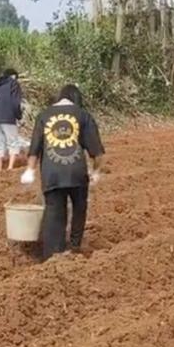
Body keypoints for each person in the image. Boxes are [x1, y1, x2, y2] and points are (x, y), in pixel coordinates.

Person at [21, 84, 104, 261]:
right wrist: (96, 171)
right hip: (77, 173)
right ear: (76, 99)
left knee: (54, 211)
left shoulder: (43, 115)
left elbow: (34, 148)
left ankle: (53, 255)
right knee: (80, 208)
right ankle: (74, 247)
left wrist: (30, 170)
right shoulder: (83, 115)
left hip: (52, 173)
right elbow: (96, 152)